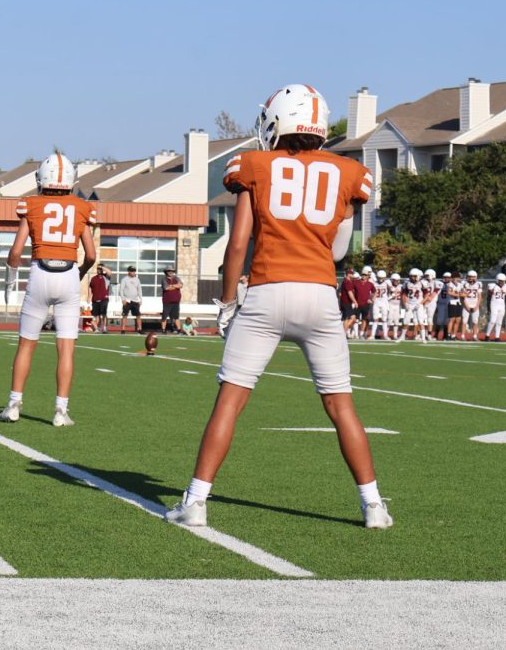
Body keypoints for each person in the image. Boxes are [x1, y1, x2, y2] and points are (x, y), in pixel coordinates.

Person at [167, 83, 391, 530]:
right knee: (341, 405)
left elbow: (238, 243)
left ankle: (195, 502)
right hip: (320, 294)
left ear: (277, 123)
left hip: (268, 290)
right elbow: (340, 246)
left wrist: (227, 303)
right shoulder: (347, 172)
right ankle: (374, 507)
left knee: (229, 402)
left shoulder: (255, 166)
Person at [0, 154, 97, 427]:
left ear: (41, 178)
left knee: (26, 345)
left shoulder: (31, 205)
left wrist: (11, 278)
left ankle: (14, 404)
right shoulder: (81, 207)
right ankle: (60, 411)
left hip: (40, 273)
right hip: (67, 274)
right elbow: (91, 254)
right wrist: (79, 274)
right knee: (66, 349)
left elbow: (15, 252)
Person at [401, 268, 426, 343]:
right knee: (406, 321)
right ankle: (402, 337)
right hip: (409, 303)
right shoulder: (406, 283)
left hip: (418, 304)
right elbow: (403, 294)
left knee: (420, 321)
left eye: (414, 276)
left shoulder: (422, 283)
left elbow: (427, 295)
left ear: (418, 276)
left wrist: (420, 303)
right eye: (411, 276)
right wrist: (405, 303)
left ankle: (423, 338)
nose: (412, 278)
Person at [485, 274, 506, 341]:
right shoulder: (492, 286)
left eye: (503, 281)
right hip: (494, 304)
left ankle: (497, 337)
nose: (501, 282)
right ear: (497, 280)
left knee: (499, 322)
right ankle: (487, 336)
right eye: (500, 281)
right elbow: (488, 297)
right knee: (492, 321)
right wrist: (488, 307)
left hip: (502, 305)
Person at [118, 266, 142, 333]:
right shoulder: (124, 279)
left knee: (138, 315)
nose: (133, 272)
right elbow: (121, 290)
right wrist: (123, 299)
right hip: (127, 300)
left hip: (135, 300)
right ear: (128, 271)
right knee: (125, 315)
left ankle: (140, 329)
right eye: (131, 271)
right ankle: (123, 329)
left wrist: (140, 299)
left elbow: (139, 290)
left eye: (134, 271)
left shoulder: (137, 280)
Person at [461, 270, 483, 341]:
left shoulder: (478, 284)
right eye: (470, 277)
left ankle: (475, 336)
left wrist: (477, 306)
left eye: (473, 277)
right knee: (464, 321)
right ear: (467, 277)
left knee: (475, 321)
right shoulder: (464, 284)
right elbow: (463, 296)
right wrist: (466, 306)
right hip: (466, 304)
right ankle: (462, 336)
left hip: (475, 304)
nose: (471, 278)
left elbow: (480, 296)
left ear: (476, 277)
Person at [368, 269, 389, 341]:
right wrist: (371, 298)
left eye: (382, 278)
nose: (380, 279)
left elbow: (393, 291)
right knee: (375, 319)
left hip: (384, 303)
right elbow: (370, 293)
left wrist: (389, 298)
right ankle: (372, 335)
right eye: (379, 277)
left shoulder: (387, 283)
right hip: (376, 302)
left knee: (384, 319)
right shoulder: (373, 283)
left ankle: (385, 335)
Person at [89, 265, 111, 333]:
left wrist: (102, 267)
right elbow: (90, 288)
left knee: (104, 314)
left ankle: (104, 328)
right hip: (95, 299)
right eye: (97, 269)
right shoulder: (93, 278)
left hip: (104, 299)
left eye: (99, 269)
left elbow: (109, 272)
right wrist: (89, 297)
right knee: (96, 315)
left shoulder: (106, 277)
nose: (98, 270)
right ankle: (97, 328)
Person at [161, 267, 183, 333]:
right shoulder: (164, 279)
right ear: (166, 272)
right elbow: (166, 288)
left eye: (172, 271)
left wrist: (172, 285)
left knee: (176, 316)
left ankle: (179, 329)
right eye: (169, 271)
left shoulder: (177, 278)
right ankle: (163, 329)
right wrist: (175, 286)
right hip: (167, 301)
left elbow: (181, 285)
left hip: (176, 301)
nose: (171, 272)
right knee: (164, 316)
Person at [338, 268, 358, 338]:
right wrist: (355, 301)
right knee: (346, 319)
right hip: (346, 303)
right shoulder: (347, 282)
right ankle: (342, 333)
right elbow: (350, 293)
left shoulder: (347, 281)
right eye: (352, 273)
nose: (353, 275)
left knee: (353, 318)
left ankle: (344, 332)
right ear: (348, 274)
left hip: (346, 303)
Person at [445, 272, 463, 340]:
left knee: (458, 320)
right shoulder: (450, 284)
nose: (457, 279)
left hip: (458, 303)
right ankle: (448, 334)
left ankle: (454, 335)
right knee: (452, 319)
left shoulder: (460, 285)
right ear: (452, 278)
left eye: (458, 277)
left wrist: (463, 294)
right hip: (451, 302)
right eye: (455, 277)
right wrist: (458, 295)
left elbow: (464, 293)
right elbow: (449, 292)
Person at [386, 272, 403, 340]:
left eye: (398, 280)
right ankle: (385, 334)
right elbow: (386, 297)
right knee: (389, 320)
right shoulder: (389, 286)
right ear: (392, 280)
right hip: (390, 304)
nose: (396, 282)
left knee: (396, 321)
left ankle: (395, 335)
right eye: (395, 280)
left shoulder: (401, 286)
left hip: (398, 305)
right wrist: (391, 296)